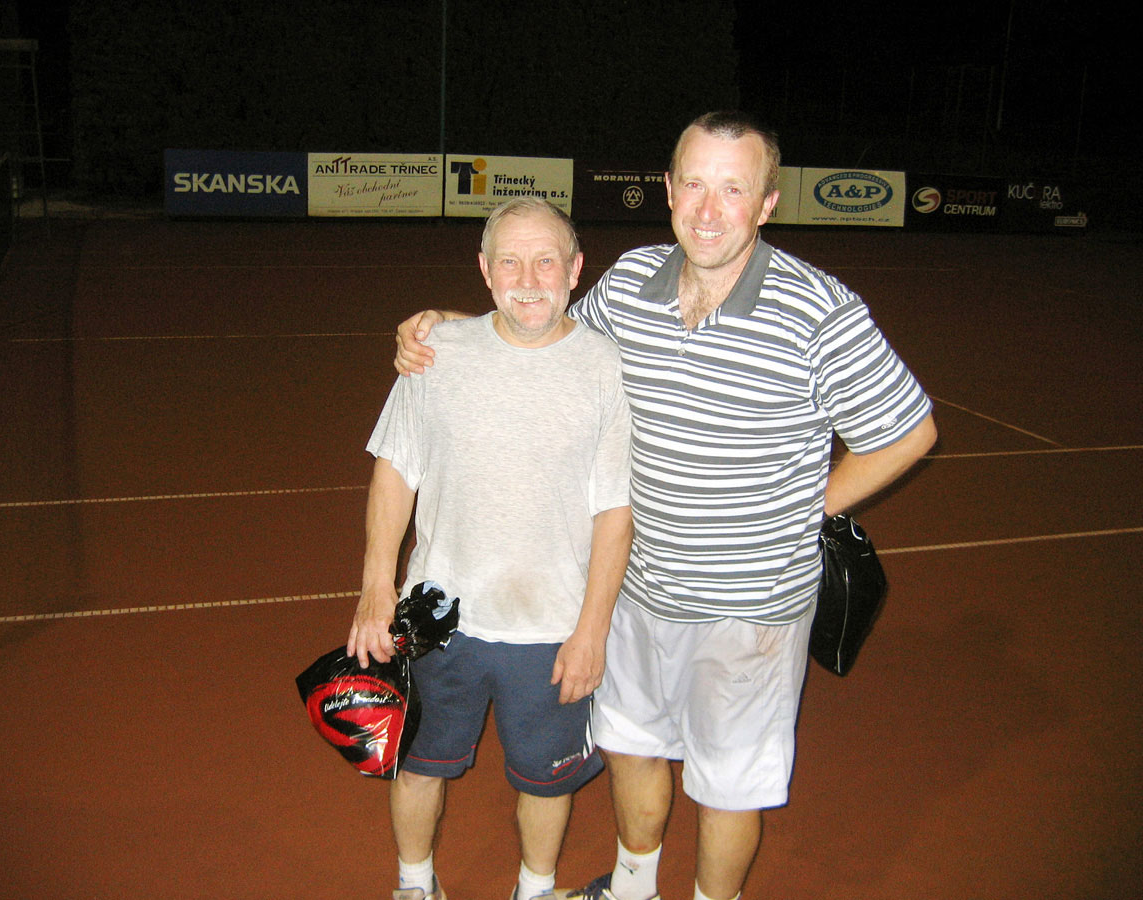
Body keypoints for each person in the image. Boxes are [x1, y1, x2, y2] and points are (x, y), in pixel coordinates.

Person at [394, 112, 938, 900]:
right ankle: (633, 888)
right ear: (669, 190)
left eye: (733, 189)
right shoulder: (631, 283)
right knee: (633, 749)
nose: (709, 210)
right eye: (694, 184)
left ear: (767, 203)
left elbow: (909, 432)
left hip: (749, 606)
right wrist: (451, 327)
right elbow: (551, 333)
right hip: (639, 591)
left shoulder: (819, 310)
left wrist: (805, 509)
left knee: (727, 784)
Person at [349, 197, 634, 900]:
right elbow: (396, 471)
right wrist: (376, 588)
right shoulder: (436, 354)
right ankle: (415, 885)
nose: (528, 279)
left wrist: (592, 630)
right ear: (484, 269)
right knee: (418, 764)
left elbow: (615, 511)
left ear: (576, 269)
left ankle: (534, 890)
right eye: (510, 261)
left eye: (546, 261)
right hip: (436, 618)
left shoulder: (605, 368)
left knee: (546, 780)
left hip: (551, 627)